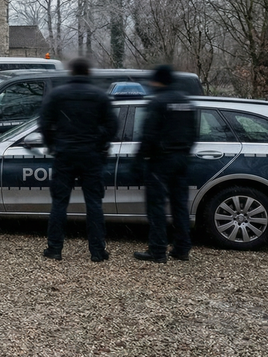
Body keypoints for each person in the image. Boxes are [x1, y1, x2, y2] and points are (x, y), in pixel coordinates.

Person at [38, 58, 118, 262]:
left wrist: (53, 145)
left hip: (65, 153)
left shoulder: (58, 95)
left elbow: (44, 123)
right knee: (93, 203)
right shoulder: (99, 96)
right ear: (88, 73)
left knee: (59, 203)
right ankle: (97, 251)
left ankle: (55, 248)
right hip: (91, 154)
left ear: (71, 73)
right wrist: (99, 143)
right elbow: (112, 126)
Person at [133, 65, 199, 263]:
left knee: (157, 206)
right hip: (181, 160)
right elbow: (193, 133)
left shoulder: (158, 102)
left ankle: (158, 250)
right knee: (180, 206)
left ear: (158, 81)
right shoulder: (186, 102)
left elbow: (149, 134)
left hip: (160, 162)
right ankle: (182, 248)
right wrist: (184, 153)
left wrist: (139, 159)